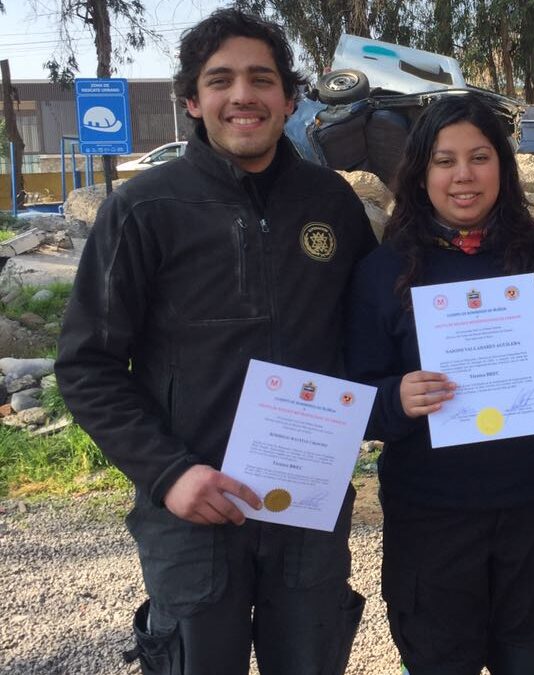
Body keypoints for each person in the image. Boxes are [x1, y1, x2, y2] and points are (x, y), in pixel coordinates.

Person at [55, 9, 377, 675]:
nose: (242, 95)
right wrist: (170, 474)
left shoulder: (334, 206)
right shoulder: (143, 208)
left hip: (306, 506)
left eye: (262, 79)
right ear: (192, 101)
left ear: (289, 99)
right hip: (193, 512)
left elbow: (370, 339)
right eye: (221, 79)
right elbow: (87, 365)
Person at [344, 93, 534, 675]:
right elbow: (351, 394)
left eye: (479, 157)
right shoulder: (383, 270)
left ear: (502, 165)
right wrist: (394, 398)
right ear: (421, 173)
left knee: (530, 660)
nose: (464, 175)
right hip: (433, 520)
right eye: (445, 161)